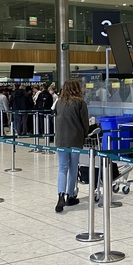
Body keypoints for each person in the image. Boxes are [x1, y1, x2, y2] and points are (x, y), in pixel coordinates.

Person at [53, 80, 89, 212]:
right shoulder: (80, 102)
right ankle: (70, 196)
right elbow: (85, 122)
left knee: (62, 168)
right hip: (75, 139)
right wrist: (85, 134)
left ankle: (60, 195)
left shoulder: (59, 102)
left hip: (61, 140)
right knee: (73, 167)